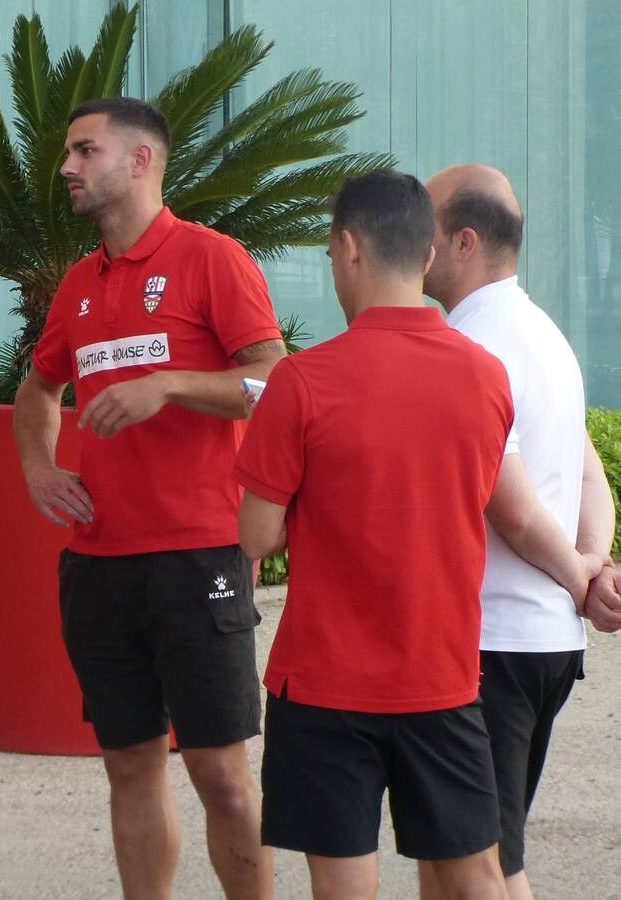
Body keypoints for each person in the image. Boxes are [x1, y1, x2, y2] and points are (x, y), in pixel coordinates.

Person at [234, 170, 602, 900]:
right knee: (475, 876)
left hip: (323, 682)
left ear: (347, 248)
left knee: (344, 885)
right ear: (427, 254)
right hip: (441, 679)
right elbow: (519, 498)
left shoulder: (300, 383)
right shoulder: (482, 375)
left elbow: (255, 536)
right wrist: (587, 566)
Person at [13, 96, 282, 900]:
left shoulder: (211, 259)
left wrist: (167, 385)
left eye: (84, 151)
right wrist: (37, 469)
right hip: (98, 563)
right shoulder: (77, 284)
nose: (66, 166)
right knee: (128, 767)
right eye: (67, 152)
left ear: (139, 161)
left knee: (221, 774)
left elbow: (274, 385)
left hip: (198, 554)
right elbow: (37, 392)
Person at [418, 163, 617, 900]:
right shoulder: (542, 334)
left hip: (490, 647)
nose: (410, 241)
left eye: (424, 227)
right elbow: (586, 464)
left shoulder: (475, 349)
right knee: (453, 855)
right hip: (538, 645)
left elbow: (506, 500)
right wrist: (591, 566)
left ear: (462, 242)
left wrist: (577, 576)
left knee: (485, 864)